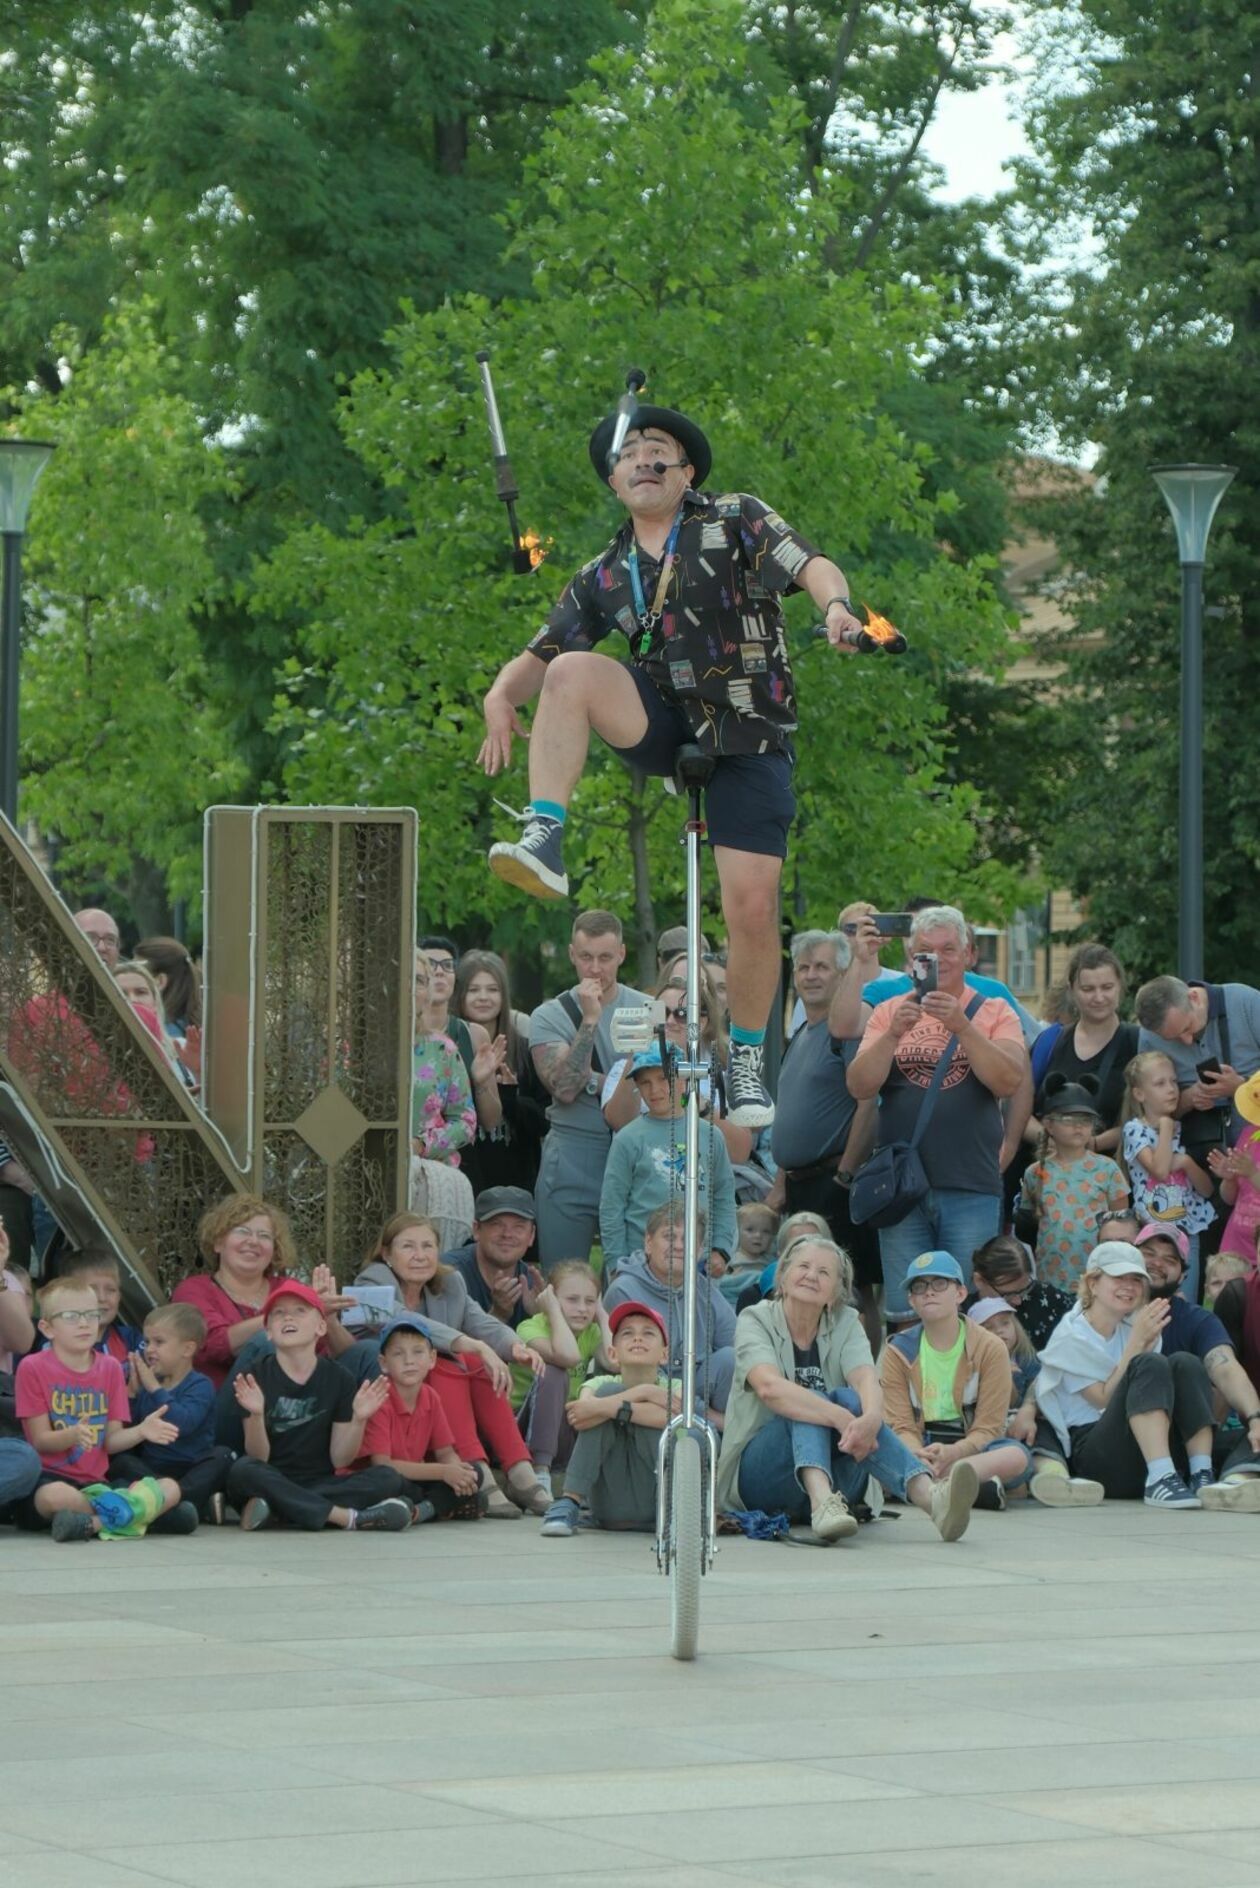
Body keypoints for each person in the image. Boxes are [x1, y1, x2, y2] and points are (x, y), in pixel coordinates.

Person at [479, 396, 873, 1131]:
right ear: (614, 480)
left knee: (750, 911)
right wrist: (501, 694)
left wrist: (838, 609)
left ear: (685, 469)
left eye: (656, 448)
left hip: (748, 732)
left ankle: (750, 1055)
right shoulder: (605, 569)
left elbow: (809, 562)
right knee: (569, 671)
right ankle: (546, 835)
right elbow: (542, 649)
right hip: (665, 721)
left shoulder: (733, 519)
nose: (642, 459)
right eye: (627, 454)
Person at [718, 1235, 980, 1541]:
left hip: (842, 1478)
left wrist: (871, 1417)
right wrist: (838, 1417)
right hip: (765, 1478)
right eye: (803, 1266)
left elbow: (866, 1379)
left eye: (824, 1272)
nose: (812, 1275)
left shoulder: (846, 1321)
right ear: (783, 1279)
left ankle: (932, 1499)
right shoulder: (755, 1318)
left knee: (850, 1398)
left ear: (836, 1293)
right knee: (812, 1400)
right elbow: (769, 1388)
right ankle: (821, 1503)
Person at [847, 904, 1027, 1325]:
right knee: (907, 1312)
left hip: (969, 1182)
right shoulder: (890, 1010)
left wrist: (963, 1027)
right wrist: (892, 1034)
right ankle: (907, 1390)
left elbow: (1008, 1081)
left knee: (968, 1310)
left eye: (949, 949)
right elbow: (859, 1086)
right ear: (911, 958)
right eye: (927, 950)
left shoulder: (993, 1008)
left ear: (968, 955)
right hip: (901, 1188)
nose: (939, 959)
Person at [351, 1212, 552, 1515]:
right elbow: (404, 1320)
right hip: (381, 1387)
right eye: (408, 1247)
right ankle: (477, 1469)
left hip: (426, 1389)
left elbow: (480, 1321)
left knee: (473, 1361)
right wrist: (471, 1344)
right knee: (453, 1359)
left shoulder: (449, 1282)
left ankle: (520, 1469)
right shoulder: (371, 1281)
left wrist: (516, 1347)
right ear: (387, 1254)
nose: (420, 1256)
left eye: (428, 1246)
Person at [1035, 1243, 1218, 1507]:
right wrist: (1136, 1345)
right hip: (1097, 1455)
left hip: (1142, 1446)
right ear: (1093, 1284)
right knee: (1148, 1364)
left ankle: (1202, 1473)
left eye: (1136, 1279)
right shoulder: (1071, 1336)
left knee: (1184, 1363)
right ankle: (1160, 1477)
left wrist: (1139, 1340)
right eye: (1119, 1277)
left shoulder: (1132, 1326)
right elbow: (1102, 1400)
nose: (1129, 1286)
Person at [14, 1275, 196, 1540]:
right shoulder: (32, 1367)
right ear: (47, 1328)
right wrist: (72, 1435)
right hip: (48, 1478)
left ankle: (94, 1524)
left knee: (171, 1487)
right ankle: (143, 1516)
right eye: (71, 1316)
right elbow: (41, 1441)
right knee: (54, 1497)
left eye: (91, 1314)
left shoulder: (110, 1367)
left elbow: (109, 1442)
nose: (84, 1323)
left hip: (97, 1485)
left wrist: (141, 1431)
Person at [225, 1281, 412, 1532]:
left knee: (387, 1478)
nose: (288, 1317)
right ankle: (346, 1518)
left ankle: (281, 1509)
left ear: (321, 1326)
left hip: (319, 1481)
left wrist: (359, 1420)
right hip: (270, 1476)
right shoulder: (255, 1376)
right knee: (243, 1470)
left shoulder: (340, 1378)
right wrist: (257, 1415)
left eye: (300, 1310)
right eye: (278, 1313)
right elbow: (259, 1458)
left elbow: (340, 1458)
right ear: (268, 1330)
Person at [771, 922, 881, 1349]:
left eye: (821, 967)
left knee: (852, 1292)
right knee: (804, 1288)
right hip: (800, 1185)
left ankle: (865, 1375)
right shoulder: (801, 1032)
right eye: (803, 967)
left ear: (841, 974)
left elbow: (869, 1104)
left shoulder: (848, 1033)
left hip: (835, 1180)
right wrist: (781, 1182)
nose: (811, 975)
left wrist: (846, 1177)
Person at [528, 910, 652, 1266]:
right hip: (572, 1154)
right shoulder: (549, 1015)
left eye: (605, 958)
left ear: (622, 955)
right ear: (571, 954)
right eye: (586, 957)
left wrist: (597, 1082)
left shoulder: (648, 1009)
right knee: (563, 1277)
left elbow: (663, 1084)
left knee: (632, 1278)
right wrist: (589, 1020)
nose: (595, 969)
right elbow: (565, 1088)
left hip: (634, 1154)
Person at [881, 1251, 1032, 1509]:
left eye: (939, 1284)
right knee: (874, 1454)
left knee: (1017, 1457)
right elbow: (901, 1425)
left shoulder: (990, 1347)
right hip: (920, 1445)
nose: (929, 1292)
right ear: (911, 1300)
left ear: (960, 1294)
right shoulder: (897, 1351)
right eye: (919, 1287)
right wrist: (919, 1454)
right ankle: (968, 1487)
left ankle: (935, 1483)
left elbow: (989, 1427)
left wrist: (955, 1452)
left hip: (971, 1446)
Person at [1130, 1222, 1260, 1510]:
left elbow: (1225, 1368)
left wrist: (1255, 1417)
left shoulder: (1197, 1319)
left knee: (1186, 1364)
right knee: (1155, 1363)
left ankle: (1232, 1480)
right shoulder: (1108, 1308)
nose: (1157, 1263)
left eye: (1170, 1259)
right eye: (1149, 1253)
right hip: (1120, 1443)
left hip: (1182, 1449)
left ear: (1184, 1274)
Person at [173, 1193, 353, 1389]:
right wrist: (286, 1315)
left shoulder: (289, 1288)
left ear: (274, 1250)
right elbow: (214, 1345)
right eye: (242, 1231)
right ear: (218, 1243)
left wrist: (327, 1320)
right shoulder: (194, 1290)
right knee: (265, 1342)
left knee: (367, 1353)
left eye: (264, 1236)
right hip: (229, 1404)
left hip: (301, 1398)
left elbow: (343, 1357)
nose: (253, 1241)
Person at [539, 1299, 688, 1537]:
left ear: (664, 1354)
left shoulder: (677, 1387)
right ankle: (570, 1501)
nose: (637, 1338)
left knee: (622, 1406)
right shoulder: (596, 1385)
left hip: (661, 1502)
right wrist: (645, 1393)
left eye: (648, 1333)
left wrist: (608, 1408)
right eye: (627, 1333)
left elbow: (674, 1419)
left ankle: (673, 1514)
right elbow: (580, 1417)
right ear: (612, 1353)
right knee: (608, 1392)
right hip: (610, 1503)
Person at [599, 1043, 737, 1274]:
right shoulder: (627, 1139)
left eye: (664, 1079)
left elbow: (723, 1196)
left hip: (699, 1264)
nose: (654, 1090)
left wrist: (720, 1249)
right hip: (641, 1265)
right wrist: (616, 1265)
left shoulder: (710, 1134)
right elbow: (611, 1207)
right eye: (645, 1082)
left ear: (683, 1079)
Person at [603, 1199, 736, 1412]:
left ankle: (729, 1440)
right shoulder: (624, 1290)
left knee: (731, 1359)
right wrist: (708, 1416)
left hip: (697, 1388)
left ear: (700, 1250)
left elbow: (735, 1342)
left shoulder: (704, 1288)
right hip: (648, 1394)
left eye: (688, 1238)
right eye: (669, 1236)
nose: (680, 1245)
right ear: (648, 1242)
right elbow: (637, 1367)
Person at [115, 1303, 233, 1521]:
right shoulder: (148, 1385)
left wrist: (154, 1389)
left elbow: (183, 1424)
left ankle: (172, 1500)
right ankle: (173, 1506)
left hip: (189, 1468)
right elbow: (133, 1431)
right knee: (121, 1460)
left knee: (222, 1456)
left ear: (187, 1349)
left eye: (159, 1342)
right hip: (153, 1469)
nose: (149, 1349)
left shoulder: (200, 1385)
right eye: (147, 1341)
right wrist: (131, 1397)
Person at [1017, 1076, 1130, 1293]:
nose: (1079, 1126)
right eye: (1069, 1118)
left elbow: (1122, 1224)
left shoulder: (1107, 1169)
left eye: (1086, 1120)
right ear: (1048, 1124)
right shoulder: (1035, 1173)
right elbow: (1029, 1228)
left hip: (1097, 1279)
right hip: (1049, 1279)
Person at [363, 1314, 482, 1521]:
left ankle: (418, 1511)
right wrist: (444, 1472)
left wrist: (456, 1473)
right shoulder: (379, 1397)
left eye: (418, 1352)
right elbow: (382, 1465)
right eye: (398, 1354)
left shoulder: (430, 1396)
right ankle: (432, 1507)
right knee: (389, 1481)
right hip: (384, 1480)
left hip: (415, 1480)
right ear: (384, 1363)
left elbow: (445, 1452)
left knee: (474, 1472)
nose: (409, 1361)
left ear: (432, 1358)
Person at [1024, 945, 1137, 1159]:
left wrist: (1091, 1143)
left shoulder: (1138, 1043)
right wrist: (1050, 1140)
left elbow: (1153, 1118)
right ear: (1072, 990)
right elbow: (1018, 1110)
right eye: (1088, 989)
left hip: (1113, 1180)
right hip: (1049, 1177)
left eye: (1107, 987)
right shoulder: (1050, 1041)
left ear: (1120, 987)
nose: (1098, 997)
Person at [1120, 1050, 1215, 1301]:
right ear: (1140, 1094)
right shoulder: (1135, 1130)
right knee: (1151, 1301)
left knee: (1185, 1302)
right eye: (1160, 1083)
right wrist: (1165, 1126)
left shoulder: (1180, 1129)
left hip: (1186, 1232)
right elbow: (1160, 1170)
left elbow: (1207, 1191)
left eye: (1173, 1081)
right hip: (1153, 1235)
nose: (1172, 1089)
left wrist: (1185, 1162)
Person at [454, 949, 546, 1196]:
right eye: (474, 990)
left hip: (517, 1186)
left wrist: (511, 1099)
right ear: (459, 994)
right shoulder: (447, 1049)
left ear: (504, 996)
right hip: (466, 1181)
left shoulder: (525, 1050)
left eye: (492, 990)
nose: (483, 997)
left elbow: (545, 1121)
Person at [509, 1262, 608, 1484]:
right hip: (521, 1431)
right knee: (554, 1372)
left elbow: (614, 1360)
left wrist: (601, 1314)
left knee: (608, 1388)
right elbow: (568, 1357)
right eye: (572, 1300)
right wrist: (552, 1310)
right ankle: (540, 1471)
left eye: (590, 1301)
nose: (582, 1308)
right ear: (550, 1296)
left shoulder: (591, 1331)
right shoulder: (529, 1328)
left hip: (562, 1429)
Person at [418, 936, 504, 1138]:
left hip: (461, 1158)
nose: (439, 971)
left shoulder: (473, 1034)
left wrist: (481, 1083)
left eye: (447, 966)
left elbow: (491, 1121)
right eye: (430, 965)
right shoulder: (398, 1035)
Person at [411, 949, 477, 1168]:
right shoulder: (357, 1048)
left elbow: (466, 1122)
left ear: (428, 992)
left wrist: (421, 1145)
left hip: (429, 1172)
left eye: (419, 980)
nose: (410, 987)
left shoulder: (442, 1049)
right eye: (403, 976)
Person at [447, 1186, 545, 1330]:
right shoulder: (448, 1273)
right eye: (496, 1225)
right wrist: (498, 1314)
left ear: (531, 1236)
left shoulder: (532, 1285)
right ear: (476, 1229)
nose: (507, 1234)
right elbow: (443, 1344)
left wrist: (541, 1317)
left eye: (518, 1227)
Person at [967, 1234, 1074, 1352]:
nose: (1018, 1300)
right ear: (980, 1281)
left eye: (1025, 1289)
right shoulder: (963, 1319)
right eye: (1008, 1294)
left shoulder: (1046, 1297)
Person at [50, 1252, 143, 1368]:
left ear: (119, 1297)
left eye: (111, 1290)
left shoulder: (131, 1339)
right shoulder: (55, 1343)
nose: (102, 1298)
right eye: (91, 1290)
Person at [1207, 1070, 1260, 1269]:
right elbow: (1230, 1199)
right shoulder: (1249, 1133)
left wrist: (1252, 1173)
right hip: (1235, 1247)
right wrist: (1229, 1179)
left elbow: (1251, 1175)